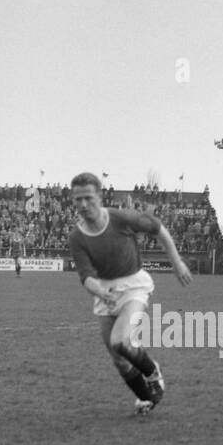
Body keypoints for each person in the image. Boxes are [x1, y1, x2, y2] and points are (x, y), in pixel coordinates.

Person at [68, 171, 192, 414]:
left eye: (88, 198)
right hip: (105, 291)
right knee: (118, 358)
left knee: (120, 341)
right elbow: (86, 277)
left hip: (134, 285)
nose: (83, 205)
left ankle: (152, 371)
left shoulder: (121, 218)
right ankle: (147, 398)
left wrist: (177, 263)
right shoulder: (77, 237)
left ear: (100, 196)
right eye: (77, 199)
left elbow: (158, 229)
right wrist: (100, 291)